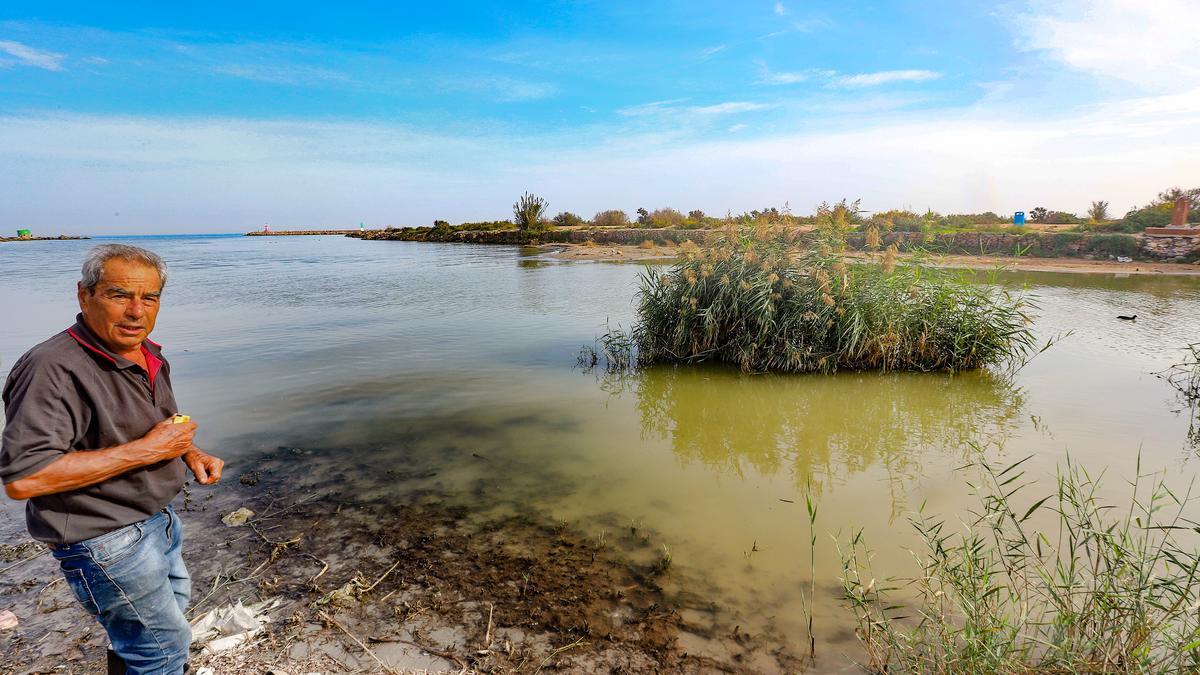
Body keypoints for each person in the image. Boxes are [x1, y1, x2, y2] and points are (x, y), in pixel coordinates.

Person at [0, 244, 224, 674]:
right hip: (105, 538)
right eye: (120, 295)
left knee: (147, 639)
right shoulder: (52, 368)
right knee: (162, 649)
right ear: (84, 296)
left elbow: (155, 426)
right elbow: (24, 479)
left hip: (156, 521)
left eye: (150, 298)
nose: (137, 311)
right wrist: (151, 451)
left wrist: (189, 451)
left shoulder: (147, 352)